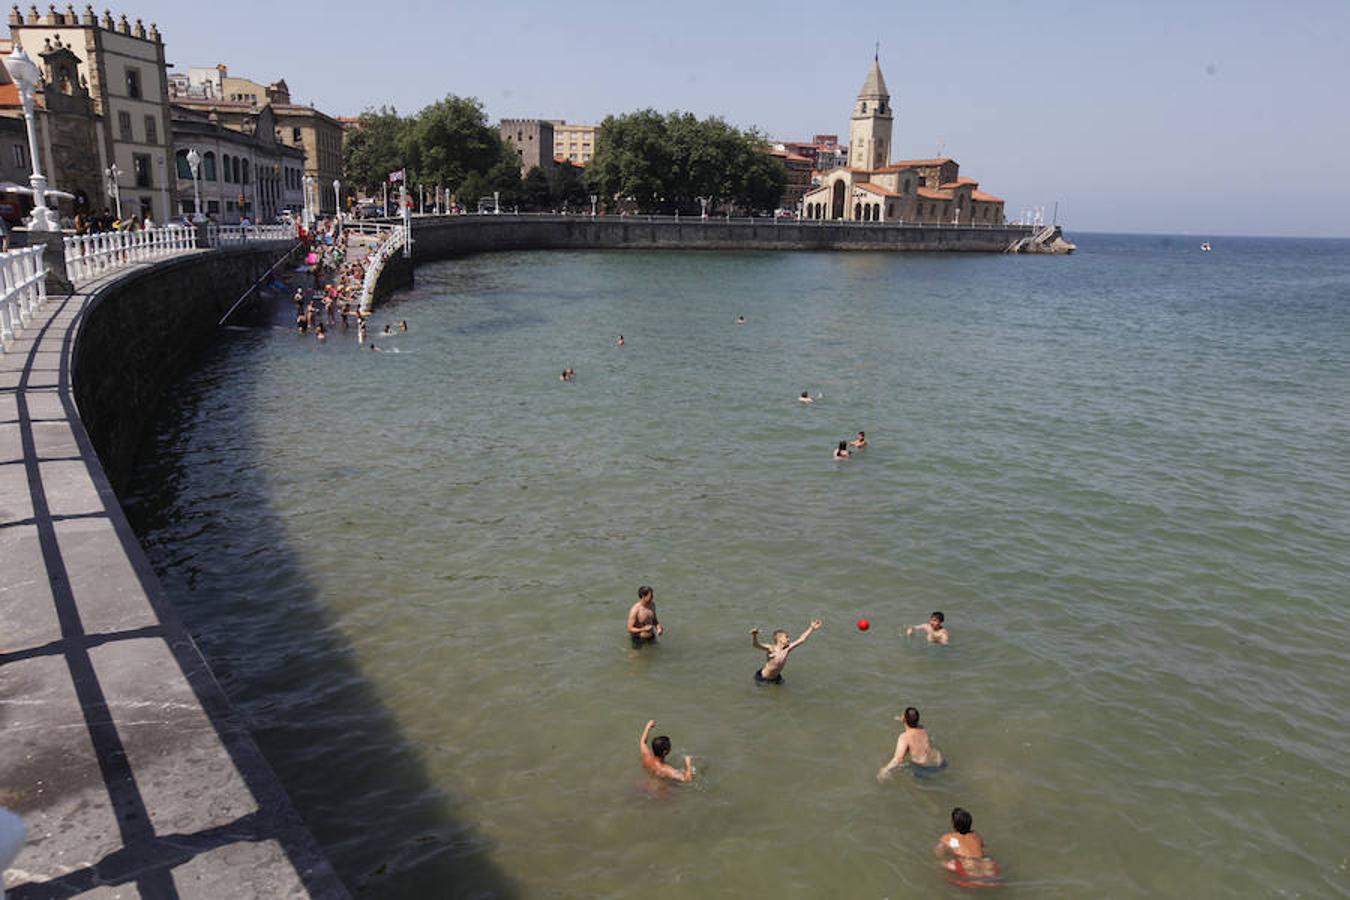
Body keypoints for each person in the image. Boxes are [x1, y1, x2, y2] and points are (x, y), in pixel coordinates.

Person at [877, 707, 945, 780]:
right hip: (939, 762)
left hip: (924, 768)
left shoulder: (904, 737)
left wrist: (885, 769)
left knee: (908, 767)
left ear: (905, 720)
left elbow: (898, 759)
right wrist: (902, 719)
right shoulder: (922, 728)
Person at [935, 808, 1000, 884]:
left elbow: (939, 853)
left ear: (953, 823)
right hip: (987, 864)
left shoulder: (947, 838)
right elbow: (984, 849)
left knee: (942, 863)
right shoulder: (976, 835)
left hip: (968, 866)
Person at [750, 618, 822, 684]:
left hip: (776, 678)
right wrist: (754, 635)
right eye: (786, 637)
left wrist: (811, 628)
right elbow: (756, 645)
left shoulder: (787, 649)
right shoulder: (771, 649)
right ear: (779, 639)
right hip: (763, 677)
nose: (789, 639)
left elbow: (801, 639)